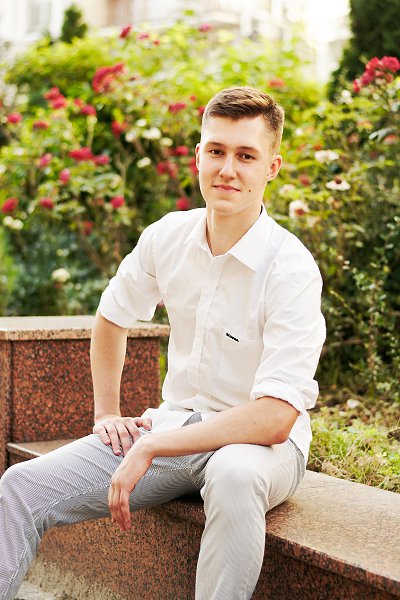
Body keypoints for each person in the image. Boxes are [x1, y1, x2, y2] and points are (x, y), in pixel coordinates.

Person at [0, 86, 325, 600]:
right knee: (20, 488)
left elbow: (275, 417)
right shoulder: (167, 236)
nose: (227, 169)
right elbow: (112, 315)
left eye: (246, 156)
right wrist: (107, 414)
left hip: (262, 448)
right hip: (177, 425)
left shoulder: (291, 269)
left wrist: (152, 444)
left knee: (235, 474)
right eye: (216, 151)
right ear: (197, 156)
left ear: (272, 167)